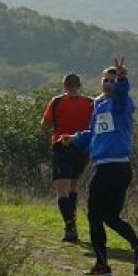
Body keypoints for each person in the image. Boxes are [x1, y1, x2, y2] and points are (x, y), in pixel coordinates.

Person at [62, 58, 138, 276]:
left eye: (113, 81)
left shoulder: (121, 103)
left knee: (94, 215)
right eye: (106, 80)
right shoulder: (99, 106)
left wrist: (122, 80)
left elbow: (121, 94)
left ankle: (102, 265)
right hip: (117, 169)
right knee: (110, 217)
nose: (109, 84)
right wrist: (74, 138)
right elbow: (93, 133)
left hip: (110, 168)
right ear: (101, 82)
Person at [41, 73, 94, 242]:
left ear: (64, 85)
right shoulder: (90, 102)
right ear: (80, 84)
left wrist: (52, 131)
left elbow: (45, 125)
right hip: (82, 148)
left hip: (62, 146)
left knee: (62, 190)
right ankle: (72, 223)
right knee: (73, 186)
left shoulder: (57, 101)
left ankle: (70, 225)